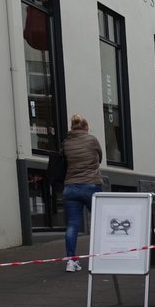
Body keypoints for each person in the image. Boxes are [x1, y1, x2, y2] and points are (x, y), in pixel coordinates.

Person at [60, 114, 104, 273]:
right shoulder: (92, 140)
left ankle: (71, 261)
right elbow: (100, 158)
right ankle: (102, 256)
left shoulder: (66, 142)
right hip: (90, 185)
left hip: (70, 187)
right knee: (100, 222)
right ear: (86, 127)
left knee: (72, 224)